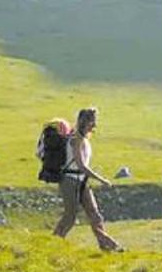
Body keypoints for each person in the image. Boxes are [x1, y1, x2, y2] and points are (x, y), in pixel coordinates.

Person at [52, 107, 123, 251]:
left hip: (81, 181)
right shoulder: (76, 139)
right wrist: (101, 179)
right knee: (70, 217)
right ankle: (53, 242)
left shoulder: (83, 139)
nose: (95, 125)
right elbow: (81, 165)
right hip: (70, 181)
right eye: (92, 122)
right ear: (85, 122)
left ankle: (106, 246)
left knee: (95, 215)